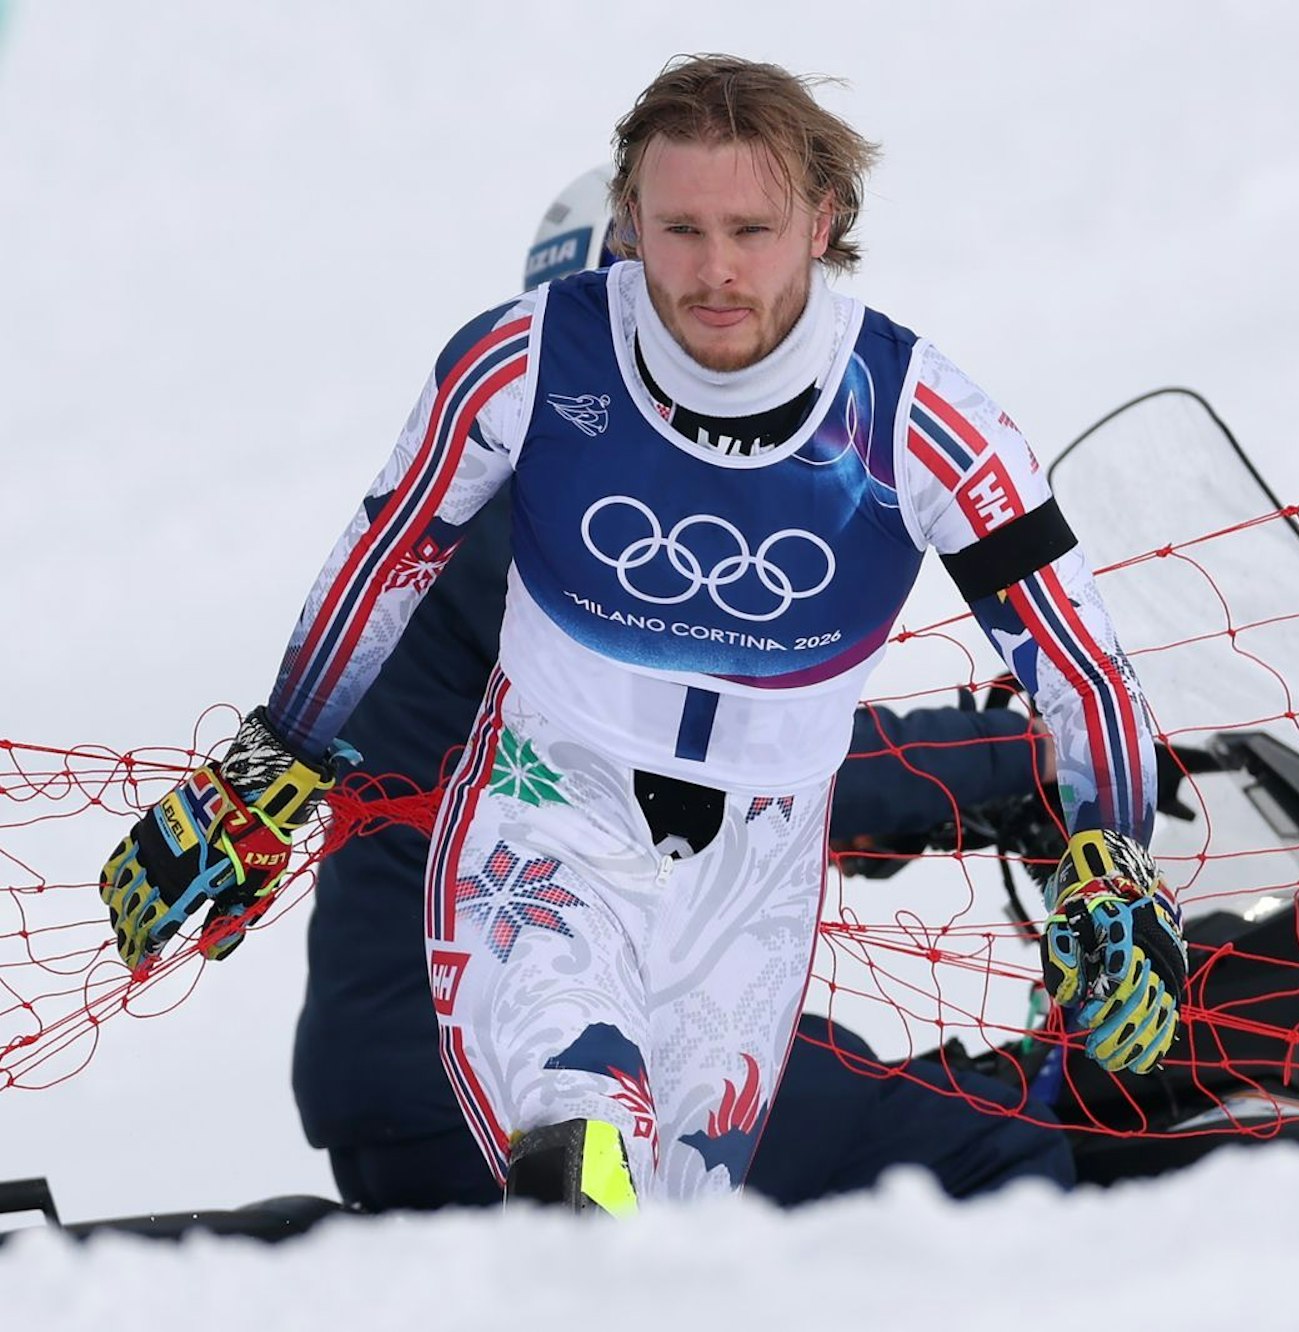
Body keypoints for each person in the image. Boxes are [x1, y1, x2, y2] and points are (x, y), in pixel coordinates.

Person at [100, 54, 1184, 1215]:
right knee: (588, 1143)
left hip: (751, 880)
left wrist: (1109, 856)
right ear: (628, 228)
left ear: (823, 223)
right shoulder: (520, 393)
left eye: (749, 230)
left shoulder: (918, 420)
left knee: (677, 1226)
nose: (711, 272)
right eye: (674, 232)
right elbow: (381, 557)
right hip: (545, 820)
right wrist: (266, 769)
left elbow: (1079, 662)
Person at [290, 163, 1079, 1212]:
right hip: (508, 1053)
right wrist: (1017, 763)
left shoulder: (488, 499)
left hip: (413, 1070)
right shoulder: (554, 533)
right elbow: (746, 761)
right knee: (992, 1143)